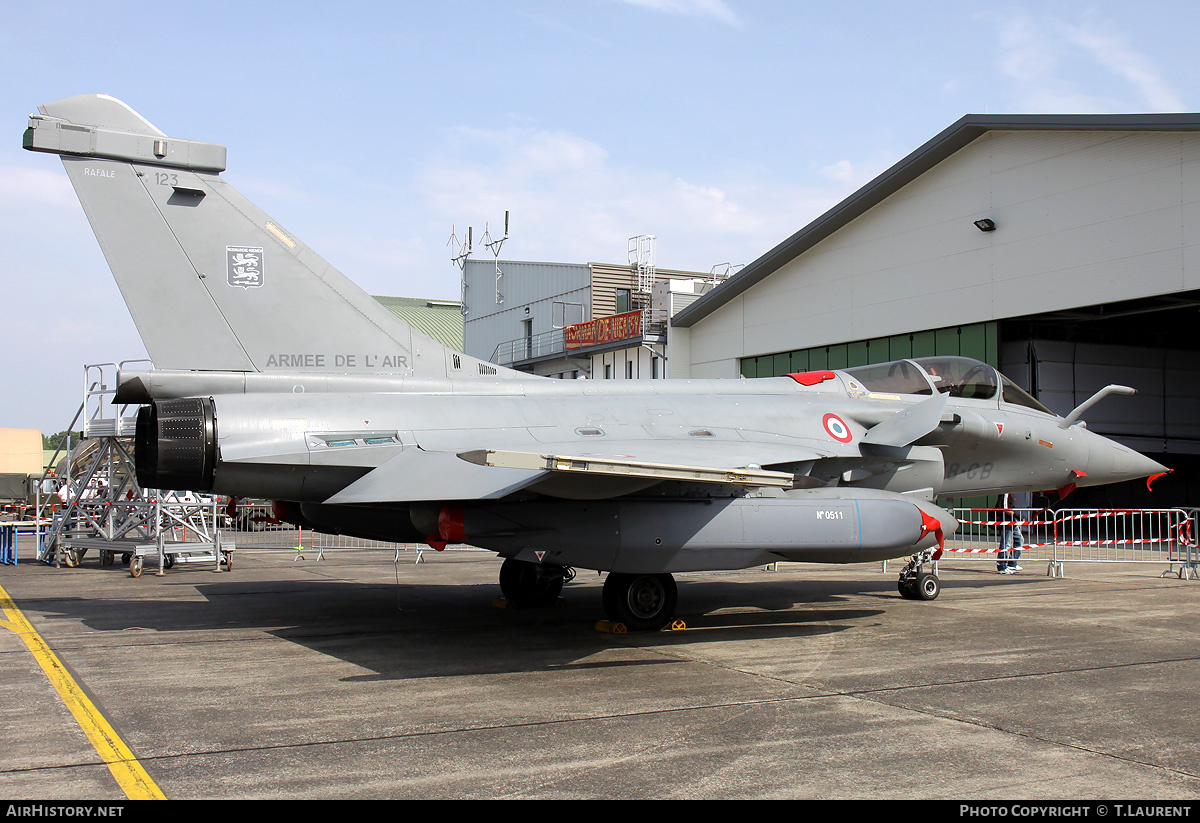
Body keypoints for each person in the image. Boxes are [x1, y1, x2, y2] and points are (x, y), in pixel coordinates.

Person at [997, 492, 1027, 573]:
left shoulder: (1011, 494)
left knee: (1019, 540)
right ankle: (1001, 565)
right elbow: (1004, 508)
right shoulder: (1005, 493)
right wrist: (1017, 516)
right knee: (1006, 543)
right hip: (1006, 521)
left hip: (1012, 521)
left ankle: (1013, 562)